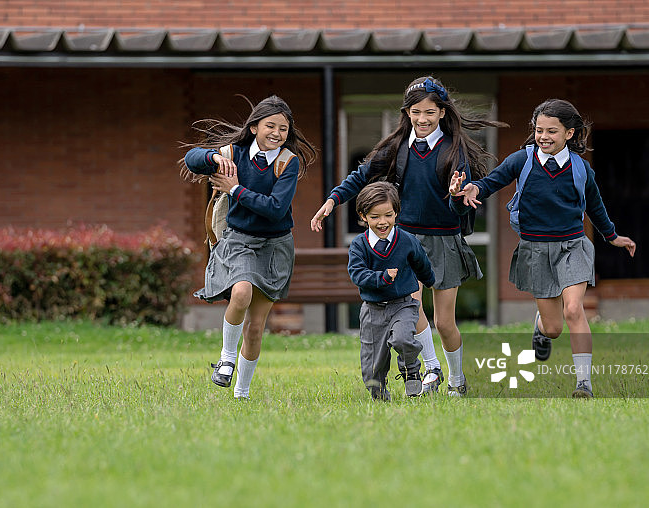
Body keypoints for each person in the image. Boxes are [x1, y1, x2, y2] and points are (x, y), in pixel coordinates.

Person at [311, 76, 506, 396]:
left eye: (429, 112)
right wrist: (332, 201)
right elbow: (361, 175)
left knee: (444, 323)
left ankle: (458, 381)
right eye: (415, 111)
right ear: (407, 113)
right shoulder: (398, 147)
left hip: (445, 241)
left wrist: (457, 196)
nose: (422, 118)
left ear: (442, 112)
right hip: (407, 240)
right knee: (411, 310)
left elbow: (461, 212)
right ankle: (432, 368)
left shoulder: (454, 150)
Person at [450, 98, 636, 398]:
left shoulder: (581, 169)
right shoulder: (521, 161)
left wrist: (613, 237)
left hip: (573, 246)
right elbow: (491, 182)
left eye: (552, 130)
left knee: (574, 309)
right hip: (536, 250)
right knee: (554, 328)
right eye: (539, 130)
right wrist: (473, 188)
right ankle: (541, 326)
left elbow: (596, 208)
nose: (544, 136)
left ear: (569, 134)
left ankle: (583, 384)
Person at [181, 95, 317, 399]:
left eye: (283, 129)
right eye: (270, 126)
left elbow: (276, 208)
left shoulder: (287, 162)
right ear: (254, 126)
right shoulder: (233, 153)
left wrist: (235, 189)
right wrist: (214, 159)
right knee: (240, 292)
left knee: (256, 328)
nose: (277, 133)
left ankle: (241, 393)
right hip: (240, 240)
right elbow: (192, 158)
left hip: (275, 246)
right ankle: (226, 359)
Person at [348, 182, 435, 400]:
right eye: (375, 216)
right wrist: (382, 278)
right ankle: (379, 394)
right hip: (372, 310)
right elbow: (357, 274)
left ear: (396, 212)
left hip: (403, 304)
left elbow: (421, 263)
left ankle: (411, 372)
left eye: (388, 215)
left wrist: (430, 280)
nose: (382, 222)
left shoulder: (406, 240)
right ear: (363, 216)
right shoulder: (359, 245)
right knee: (372, 370)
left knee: (403, 339)